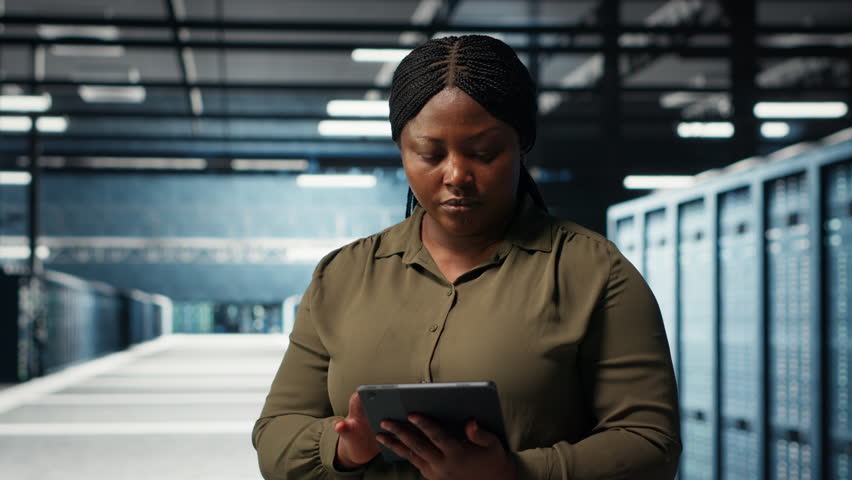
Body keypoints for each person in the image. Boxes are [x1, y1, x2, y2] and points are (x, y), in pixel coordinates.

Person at [252, 34, 681, 480]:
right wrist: (343, 445)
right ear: (401, 149)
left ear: (522, 146)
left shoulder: (595, 273)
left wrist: (514, 473)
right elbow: (276, 439)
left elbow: (650, 444)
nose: (457, 175)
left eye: (483, 153)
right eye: (430, 154)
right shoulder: (342, 275)